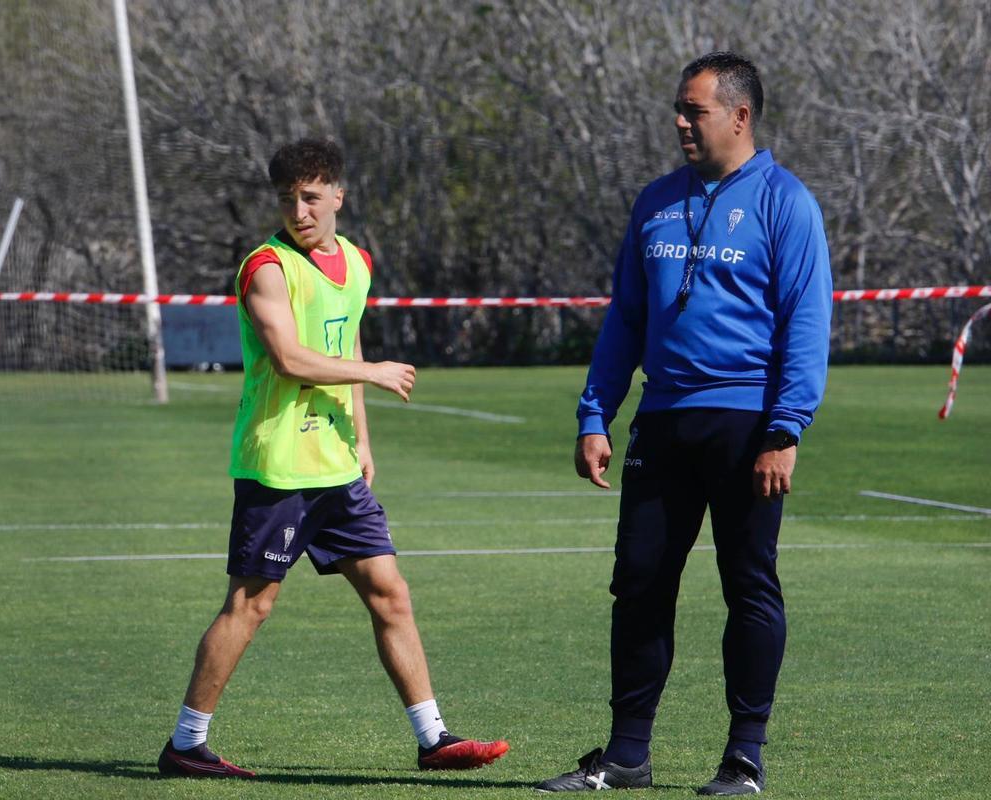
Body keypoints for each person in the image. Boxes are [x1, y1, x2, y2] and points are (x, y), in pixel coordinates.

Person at [157, 138, 509, 780]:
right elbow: (292, 359)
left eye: (312, 196)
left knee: (390, 594)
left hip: (337, 467)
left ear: (338, 196)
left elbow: (342, 342)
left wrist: (362, 438)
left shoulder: (355, 261)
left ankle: (433, 738)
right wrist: (372, 373)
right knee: (251, 605)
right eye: (289, 198)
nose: (300, 209)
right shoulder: (266, 266)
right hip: (279, 466)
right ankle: (186, 743)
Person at [536, 53, 832, 795]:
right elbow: (625, 319)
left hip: (746, 426)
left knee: (749, 587)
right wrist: (596, 411)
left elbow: (807, 324)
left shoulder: (785, 202)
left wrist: (785, 429)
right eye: (678, 108)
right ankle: (627, 755)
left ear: (739, 116)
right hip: (662, 423)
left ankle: (744, 758)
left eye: (693, 110)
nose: (680, 122)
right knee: (638, 584)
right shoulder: (655, 201)